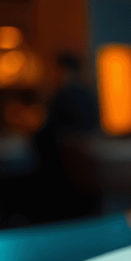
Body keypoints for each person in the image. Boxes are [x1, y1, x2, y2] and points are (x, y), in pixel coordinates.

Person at [29, 53, 102, 222]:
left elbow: (46, 132)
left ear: (65, 70)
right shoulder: (87, 94)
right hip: (86, 168)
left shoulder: (62, 95)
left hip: (65, 171)